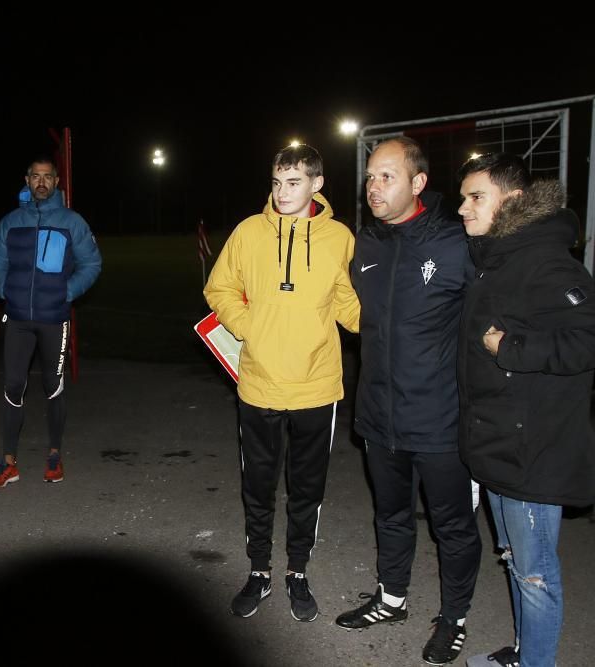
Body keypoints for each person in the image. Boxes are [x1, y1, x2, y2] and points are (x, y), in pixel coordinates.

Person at [336, 137, 481, 666]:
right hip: (378, 418)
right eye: (371, 177)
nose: (373, 187)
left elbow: (496, 309)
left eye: (387, 177)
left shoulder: (455, 243)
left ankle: (454, 618)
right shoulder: (366, 246)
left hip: (442, 421)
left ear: (418, 183)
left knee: (453, 528)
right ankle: (391, 598)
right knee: (390, 514)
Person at [204, 144, 360, 622]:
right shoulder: (249, 232)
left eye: (293, 182)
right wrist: (251, 327)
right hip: (260, 384)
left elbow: (347, 304)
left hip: (316, 385)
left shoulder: (339, 238)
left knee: (307, 487)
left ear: (316, 184)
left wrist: (388, 323)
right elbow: (219, 288)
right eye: (276, 182)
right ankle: (258, 571)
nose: (282, 191)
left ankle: (297, 571)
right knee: (259, 484)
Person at [456, 153, 595, 667]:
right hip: (499, 442)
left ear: (512, 201)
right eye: (464, 197)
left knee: (535, 575)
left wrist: (511, 348)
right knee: (517, 562)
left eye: (476, 197)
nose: (464, 208)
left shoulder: (546, 261)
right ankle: (523, 655)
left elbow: (586, 341)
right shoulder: (501, 257)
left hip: (532, 450)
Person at [0, 157, 101, 488]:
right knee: (12, 386)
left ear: (56, 182)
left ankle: (54, 454)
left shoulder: (72, 222)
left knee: (53, 386)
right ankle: (9, 462)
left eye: (47, 177)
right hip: (18, 318)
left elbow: (92, 263)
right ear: (26, 179)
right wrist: (5, 288)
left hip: (54, 318)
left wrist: (67, 291)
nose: (41, 181)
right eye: (35, 176)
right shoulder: (11, 222)